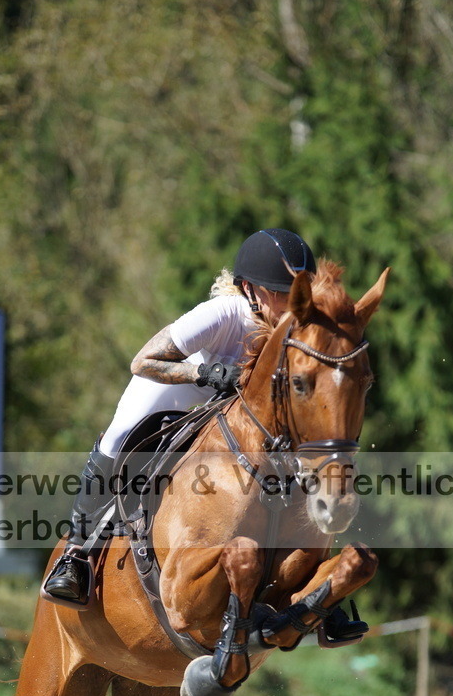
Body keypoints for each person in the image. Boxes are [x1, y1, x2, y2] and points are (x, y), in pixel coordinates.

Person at [43, 228, 316, 606]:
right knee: (118, 436)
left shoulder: (300, 332)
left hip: (229, 420)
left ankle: (313, 581)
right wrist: (204, 373)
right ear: (250, 289)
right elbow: (142, 361)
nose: (293, 304)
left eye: (299, 294)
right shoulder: (222, 314)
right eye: (281, 294)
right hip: (173, 395)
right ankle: (75, 554)